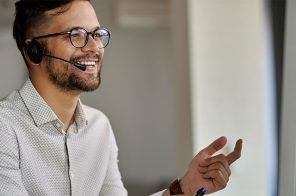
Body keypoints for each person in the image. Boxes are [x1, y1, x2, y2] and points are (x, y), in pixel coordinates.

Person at [0, 0, 243, 195]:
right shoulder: (5, 128)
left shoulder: (99, 127)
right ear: (33, 51)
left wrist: (183, 189)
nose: (93, 47)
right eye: (76, 35)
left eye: (97, 34)